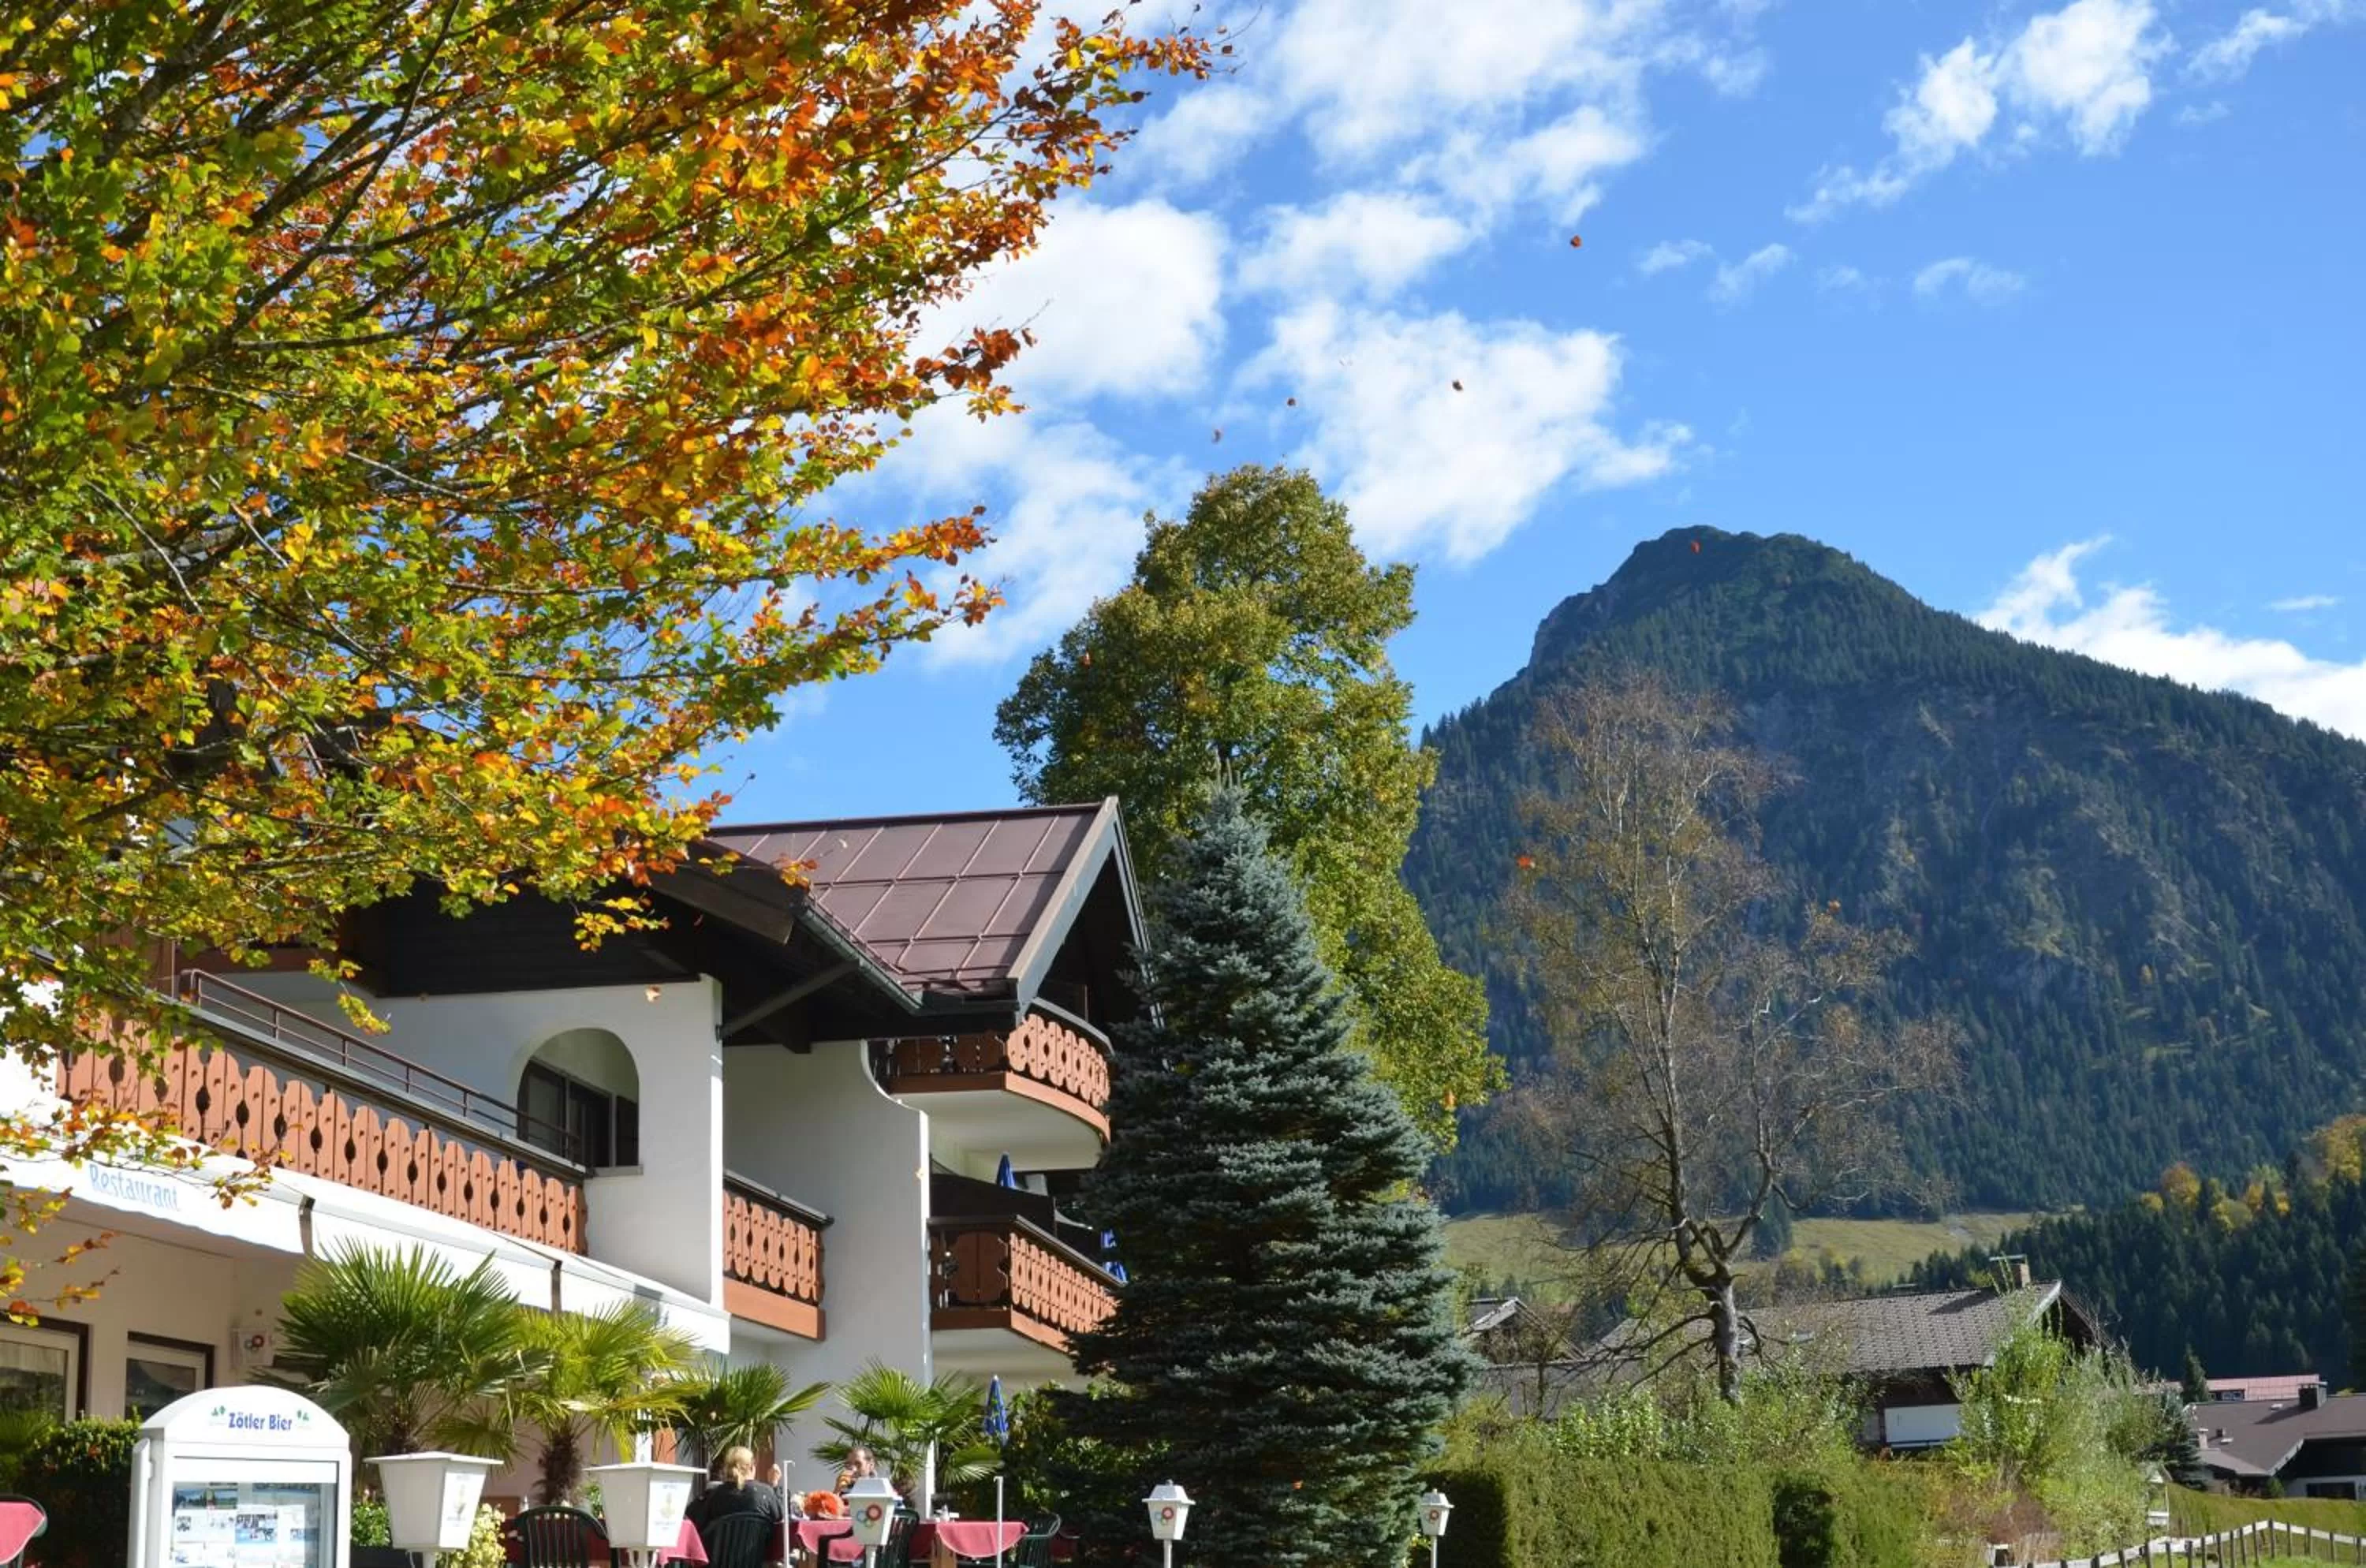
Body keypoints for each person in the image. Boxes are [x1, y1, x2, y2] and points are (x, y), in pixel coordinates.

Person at [692, 1446, 786, 1534]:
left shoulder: (714, 1495)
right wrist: (774, 1484)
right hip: (758, 1551)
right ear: (752, 1468)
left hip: (719, 1551)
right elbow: (782, 1518)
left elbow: (694, 1520)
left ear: (726, 1469)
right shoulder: (765, 1493)